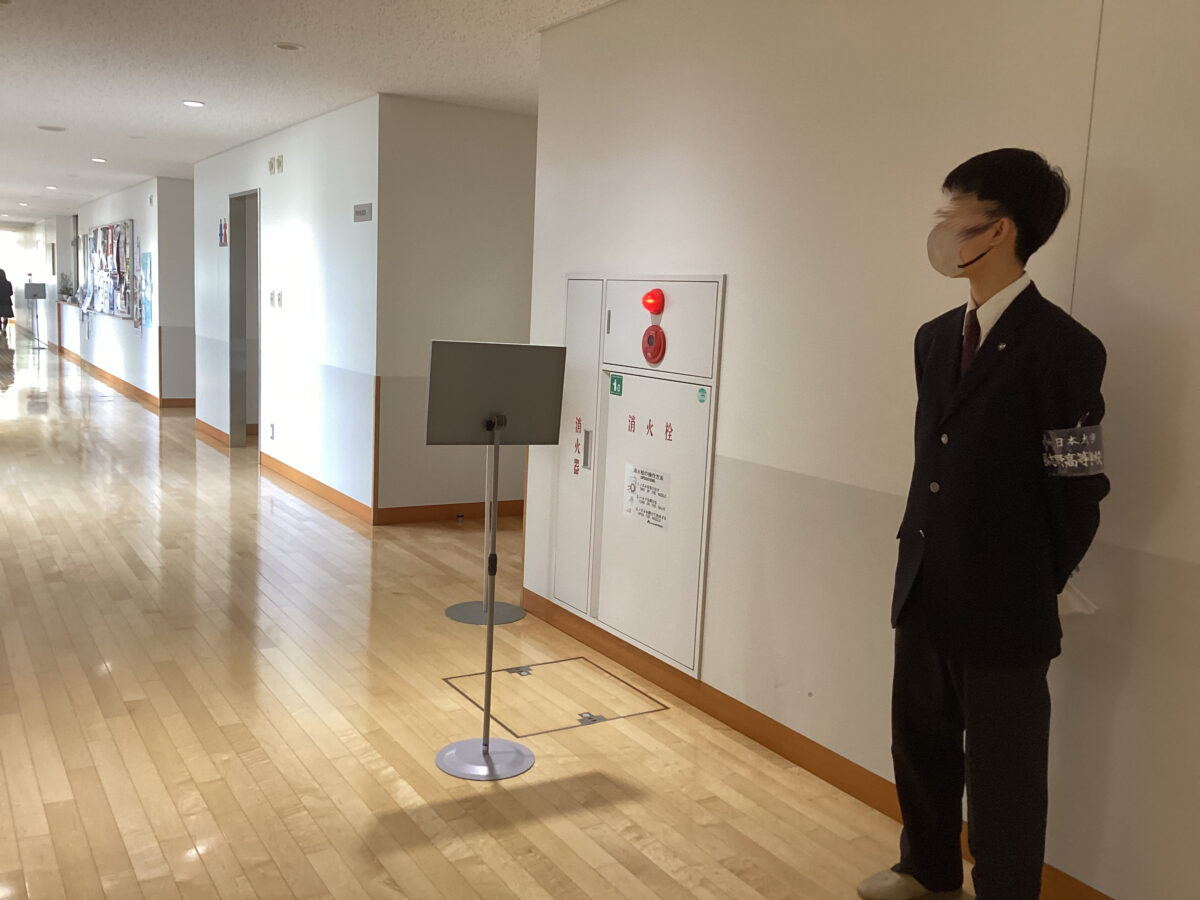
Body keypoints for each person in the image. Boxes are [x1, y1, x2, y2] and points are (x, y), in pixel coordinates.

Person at [857, 149, 1110, 900]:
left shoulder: (1066, 348)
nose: (942, 225)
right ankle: (927, 868)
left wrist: (1034, 578)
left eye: (955, 211)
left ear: (999, 229)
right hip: (925, 581)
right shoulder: (935, 338)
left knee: (1006, 771)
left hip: (1008, 601)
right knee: (921, 743)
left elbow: (1078, 486)